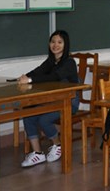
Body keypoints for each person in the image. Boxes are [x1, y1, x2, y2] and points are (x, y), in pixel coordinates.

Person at [18, 30, 79, 167]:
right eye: (53, 42)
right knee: (28, 114)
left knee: (44, 119)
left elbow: (54, 77)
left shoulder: (69, 62)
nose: (55, 45)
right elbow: (37, 71)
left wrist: (30, 80)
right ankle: (38, 153)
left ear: (65, 44)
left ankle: (57, 145)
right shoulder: (51, 61)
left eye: (59, 42)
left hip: (69, 102)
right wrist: (24, 77)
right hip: (52, 101)